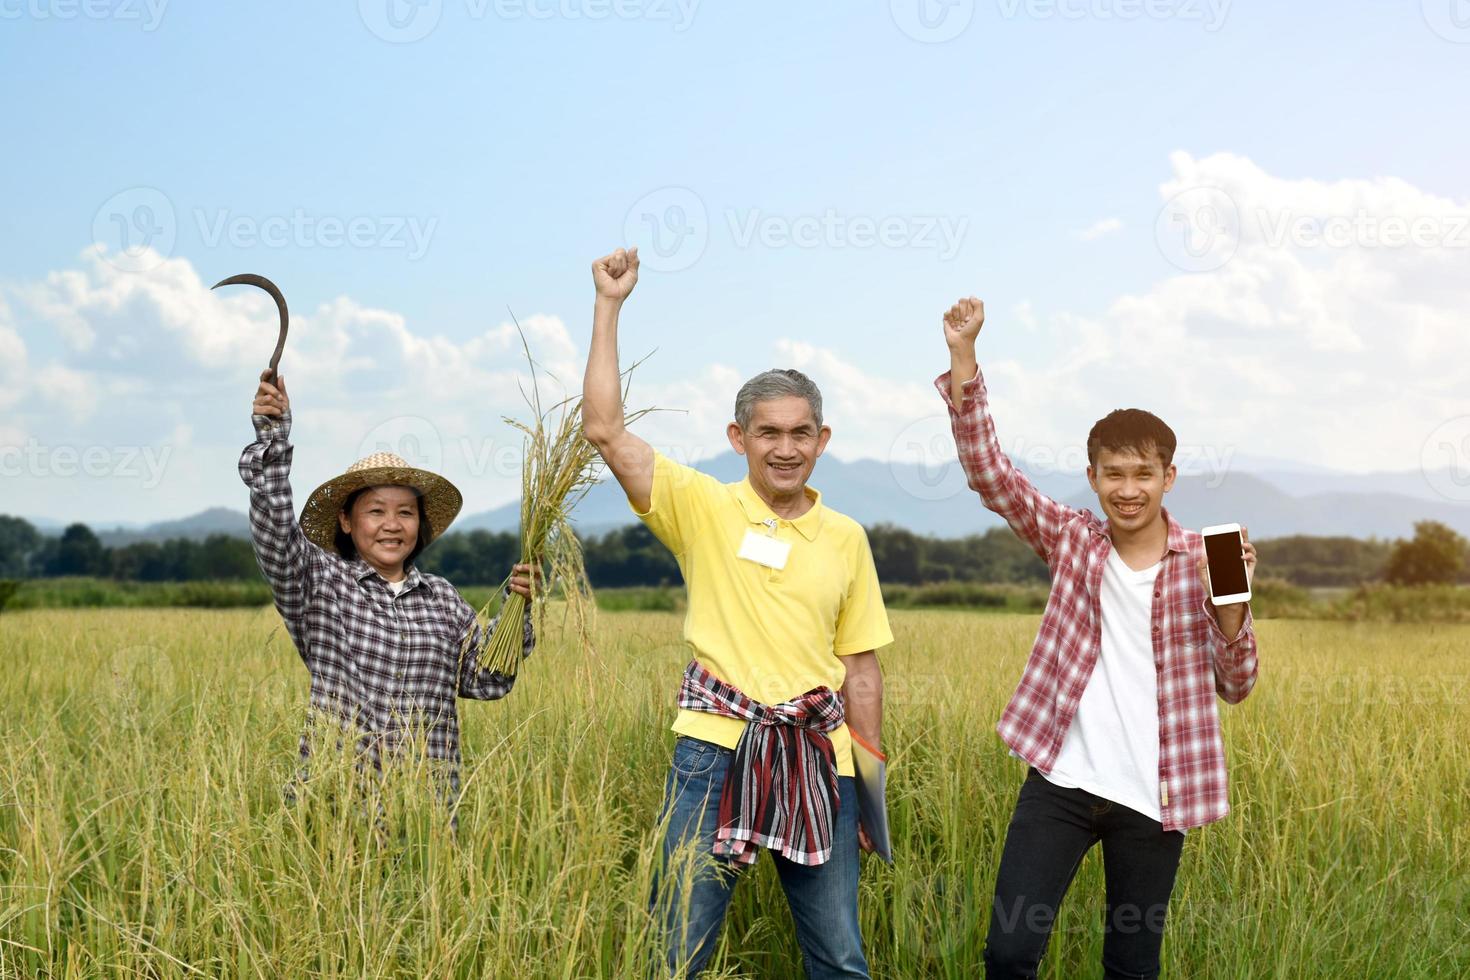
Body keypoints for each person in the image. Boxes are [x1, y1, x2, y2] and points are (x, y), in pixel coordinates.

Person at [580, 247, 893, 979]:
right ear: (738, 438)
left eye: (800, 433)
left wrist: (870, 792)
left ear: (822, 440)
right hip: (713, 750)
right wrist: (609, 305)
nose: (786, 449)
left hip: (822, 759)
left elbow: (862, 669)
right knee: (678, 948)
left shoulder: (846, 536)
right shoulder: (704, 507)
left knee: (840, 955)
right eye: (768, 433)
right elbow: (604, 431)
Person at [934, 297, 1259, 979]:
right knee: (1009, 952)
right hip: (1062, 782)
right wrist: (964, 356)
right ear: (1093, 479)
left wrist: (1229, 605)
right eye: (1114, 474)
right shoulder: (1072, 539)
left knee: (1132, 967)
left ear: (1169, 477)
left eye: (1144, 474)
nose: (1129, 489)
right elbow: (991, 476)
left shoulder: (1209, 555)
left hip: (1156, 795)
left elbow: (1237, 686)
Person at [239, 369, 536, 816]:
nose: (392, 525)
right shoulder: (321, 584)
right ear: (346, 521)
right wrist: (273, 440)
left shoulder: (443, 600)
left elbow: (485, 680)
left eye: (405, 512)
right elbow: (275, 534)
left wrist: (518, 608)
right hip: (335, 807)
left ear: (421, 523)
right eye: (375, 511)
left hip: (425, 816)